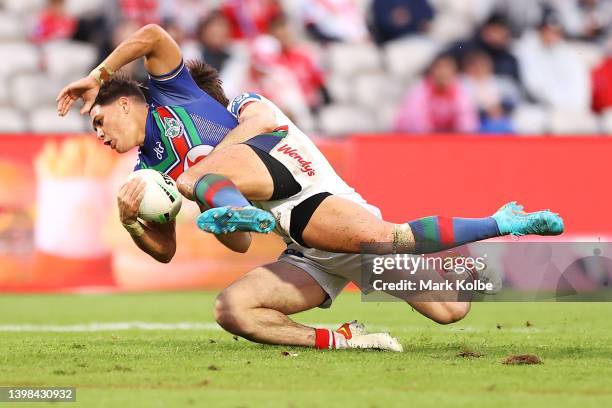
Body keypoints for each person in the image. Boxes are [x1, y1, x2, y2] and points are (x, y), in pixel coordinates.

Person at [56, 24, 564, 351]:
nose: (98, 133)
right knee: (232, 309)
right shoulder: (150, 175)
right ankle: (341, 339)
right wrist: (132, 222)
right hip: (297, 240)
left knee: (407, 260)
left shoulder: (217, 104)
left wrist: (96, 74)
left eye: (99, 119)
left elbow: (153, 35)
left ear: (125, 101)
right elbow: (189, 249)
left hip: (308, 195)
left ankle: (503, 220)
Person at [394, 54, 479, 133]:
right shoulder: (419, 90)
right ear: (432, 70)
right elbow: (414, 122)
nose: (443, 72)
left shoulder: (462, 91)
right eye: (439, 68)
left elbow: (468, 123)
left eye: (447, 68)